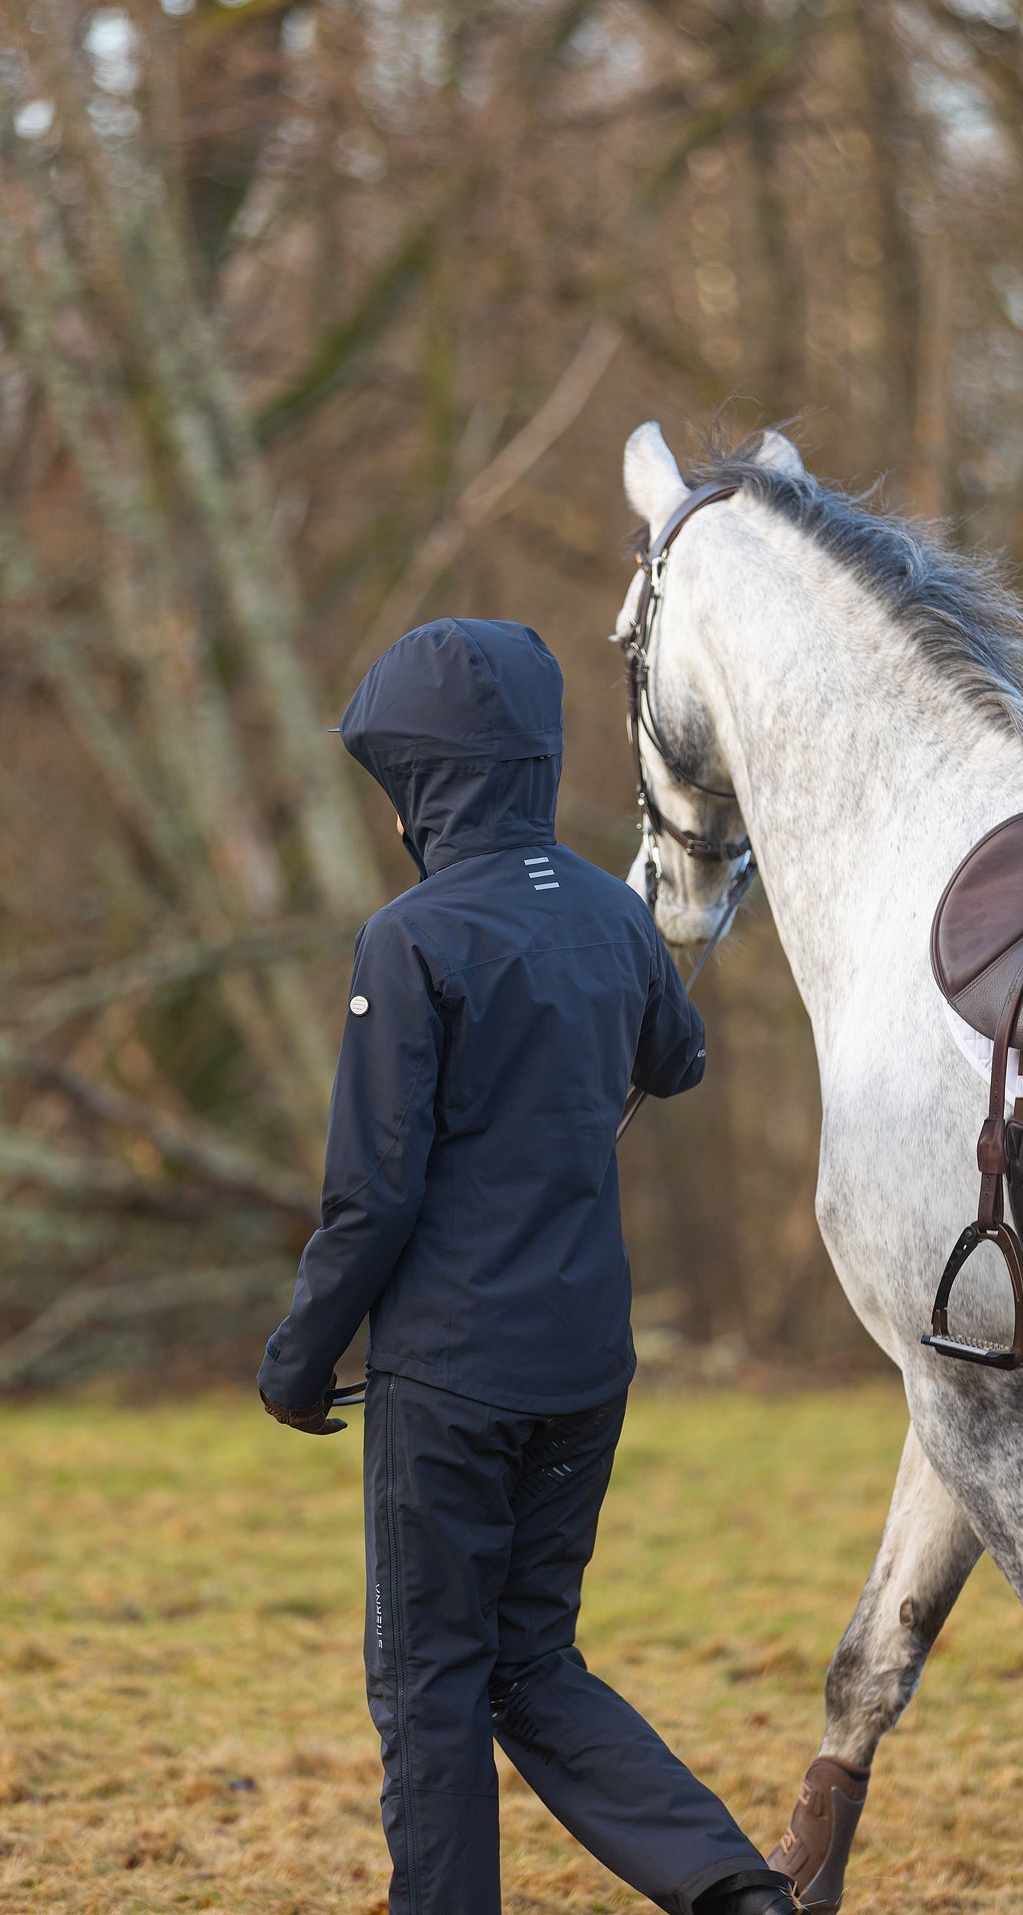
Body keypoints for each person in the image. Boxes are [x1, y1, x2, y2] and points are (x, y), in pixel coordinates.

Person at [258, 619, 791, 1915]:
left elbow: (369, 1196)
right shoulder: (611, 915)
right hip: (582, 1370)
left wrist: (295, 1357)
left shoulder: (411, 939)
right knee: (529, 1663)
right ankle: (730, 1889)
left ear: (426, 781)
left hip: (452, 1381)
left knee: (432, 1677)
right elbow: (679, 1060)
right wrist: (596, 970)